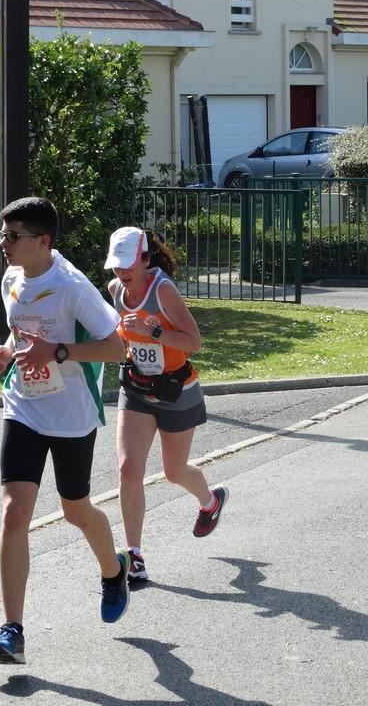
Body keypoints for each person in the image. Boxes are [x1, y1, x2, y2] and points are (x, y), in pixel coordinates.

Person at [0, 197, 131, 665]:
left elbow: (116, 348)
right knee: (14, 512)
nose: (4, 245)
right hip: (24, 407)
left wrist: (60, 353)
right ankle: (12, 630)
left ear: (43, 241)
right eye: (2, 236)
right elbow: (21, 332)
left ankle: (113, 572)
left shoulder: (72, 287)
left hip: (71, 415)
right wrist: (6, 352)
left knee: (75, 510)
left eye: (13, 237)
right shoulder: (12, 277)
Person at [105, 226, 228, 586]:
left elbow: (194, 342)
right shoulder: (115, 291)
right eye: (116, 266)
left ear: (145, 258)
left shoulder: (163, 290)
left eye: (128, 264)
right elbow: (116, 337)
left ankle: (210, 501)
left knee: (174, 472)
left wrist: (153, 333)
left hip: (176, 391)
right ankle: (135, 555)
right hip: (138, 389)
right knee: (129, 469)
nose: (122, 273)